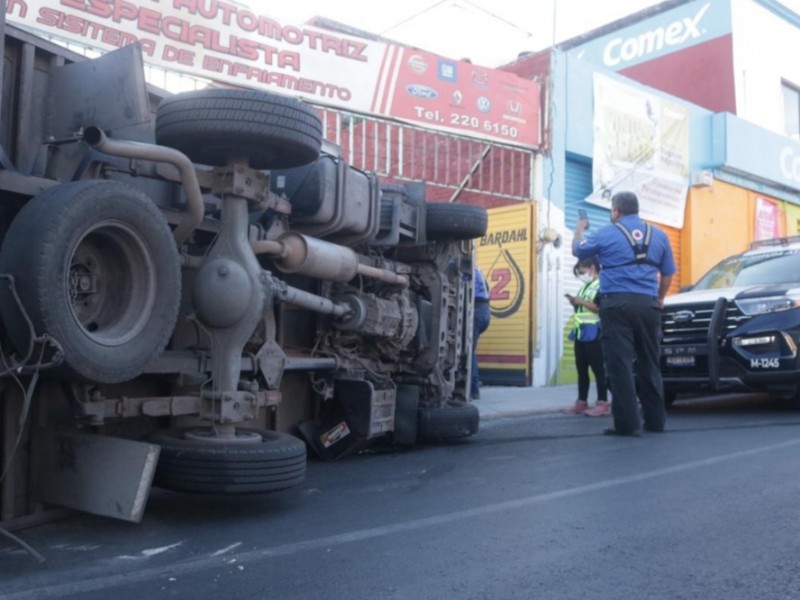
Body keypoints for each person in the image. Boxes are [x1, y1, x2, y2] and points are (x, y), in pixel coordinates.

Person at [572, 192, 675, 436]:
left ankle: (628, 424)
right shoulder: (659, 235)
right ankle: (655, 422)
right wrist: (660, 298)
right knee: (650, 363)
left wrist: (579, 229)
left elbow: (578, 250)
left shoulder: (607, 232)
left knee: (620, 365)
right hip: (649, 306)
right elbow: (668, 272)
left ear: (616, 211)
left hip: (617, 305)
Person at [563, 257, 609, 416]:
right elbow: (584, 308)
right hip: (580, 333)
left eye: (582, 271)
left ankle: (602, 403)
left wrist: (581, 301)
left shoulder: (602, 285)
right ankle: (581, 402)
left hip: (595, 333)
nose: (581, 275)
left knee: (598, 370)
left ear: (592, 268)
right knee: (581, 369)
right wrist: (575, 302)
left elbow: (599, 308)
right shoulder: (585, 287)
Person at [471, 266, 491, 400]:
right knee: (471, 350)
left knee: (469, 353)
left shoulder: (466, 267)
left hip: (476, 310)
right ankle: (473, 387)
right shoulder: (479, 270)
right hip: (485, 311)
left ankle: (473, 389)